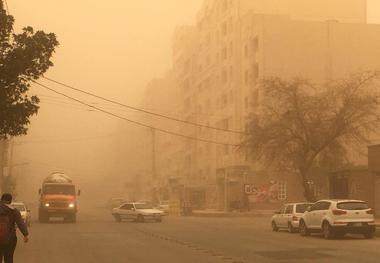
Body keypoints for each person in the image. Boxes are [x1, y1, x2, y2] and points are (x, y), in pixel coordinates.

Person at [0, 193, 29, 263]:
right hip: (10, 238)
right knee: (9, 257)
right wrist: (25, 234)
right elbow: (20, 223)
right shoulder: (14, 211)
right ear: (10, 201)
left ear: (1, 200)